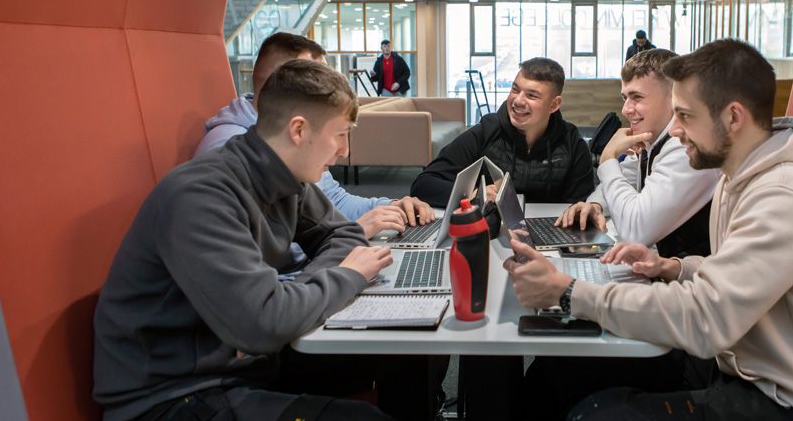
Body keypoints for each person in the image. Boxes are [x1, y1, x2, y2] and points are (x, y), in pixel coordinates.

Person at [505, 39, 793, 421]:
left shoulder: (787, 196)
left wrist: (570, 291)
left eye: (685, 116)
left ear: (733, 117)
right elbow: (737, 274)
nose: (677, 130)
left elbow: (707, 319)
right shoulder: (738, 174)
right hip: (745, 375)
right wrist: (675, 267)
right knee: (565, 373)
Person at [94, 59, 440, 421]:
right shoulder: (200, 196)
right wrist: (345, 276)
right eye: (341, 136)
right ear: (298, 130)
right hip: (170, 407)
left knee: (410, 351)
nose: (345, 152)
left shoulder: (288, 178)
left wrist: (295, 292)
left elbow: (342, 234)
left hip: (246, 364)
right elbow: (264, 323)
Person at [195, 32, 432, 240]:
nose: (326, 89)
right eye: (314, 78)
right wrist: (351, 235)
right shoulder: (227, 151)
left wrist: (389, 207)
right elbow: (268, 262)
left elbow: (330, 201)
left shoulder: (288, 144)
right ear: (282, 84)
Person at [555, 49, 720, 257]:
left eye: (637, 97)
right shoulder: (652, 138)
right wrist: (596, 205)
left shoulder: (687, 147)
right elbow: (621, 180)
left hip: (687, 281)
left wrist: (608, 158)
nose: (625, 109)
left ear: (675, 98)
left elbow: (635, 231)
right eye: (625, 97)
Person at [410, 58, 594, 207]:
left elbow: (580, 205)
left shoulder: (572, 144)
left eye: (531, 95)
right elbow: (424, 184)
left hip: (550, 234)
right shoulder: (486, 131)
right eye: (515, 90)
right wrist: (474, 194)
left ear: (553, 105)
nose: (518, 101)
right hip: (490, 234)